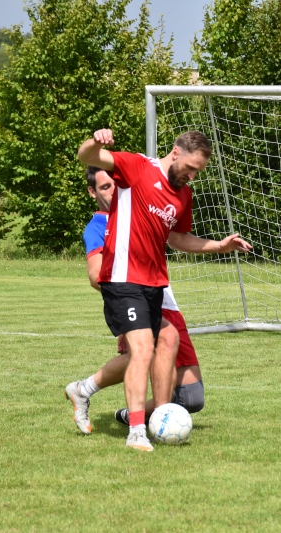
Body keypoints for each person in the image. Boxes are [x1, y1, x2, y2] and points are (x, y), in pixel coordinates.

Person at [77, 129, 251, 451]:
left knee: (168, 339)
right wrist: (95, 141)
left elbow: (178, 239)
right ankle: (136, 432)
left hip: (154, 283)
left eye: (198, 171)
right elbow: (86, 156)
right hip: (122, 278)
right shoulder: (137, 167)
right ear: (175, 152)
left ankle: (156, 415)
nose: (193, 176)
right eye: (191, 168)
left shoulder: (183, 195)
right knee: (142, 349)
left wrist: (219, 246)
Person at [65, 167, 205, 437]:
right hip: (135, 300)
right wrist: (127, 301)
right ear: (92, 192)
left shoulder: (136, 210)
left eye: (115, 184)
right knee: (149, 350)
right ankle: (150, 425)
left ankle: (99, 398)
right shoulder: (97, 227)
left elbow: (174, 236)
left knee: (192, 398)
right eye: (104, 187)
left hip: (164, 300)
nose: (112, 191)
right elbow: (95, 275)